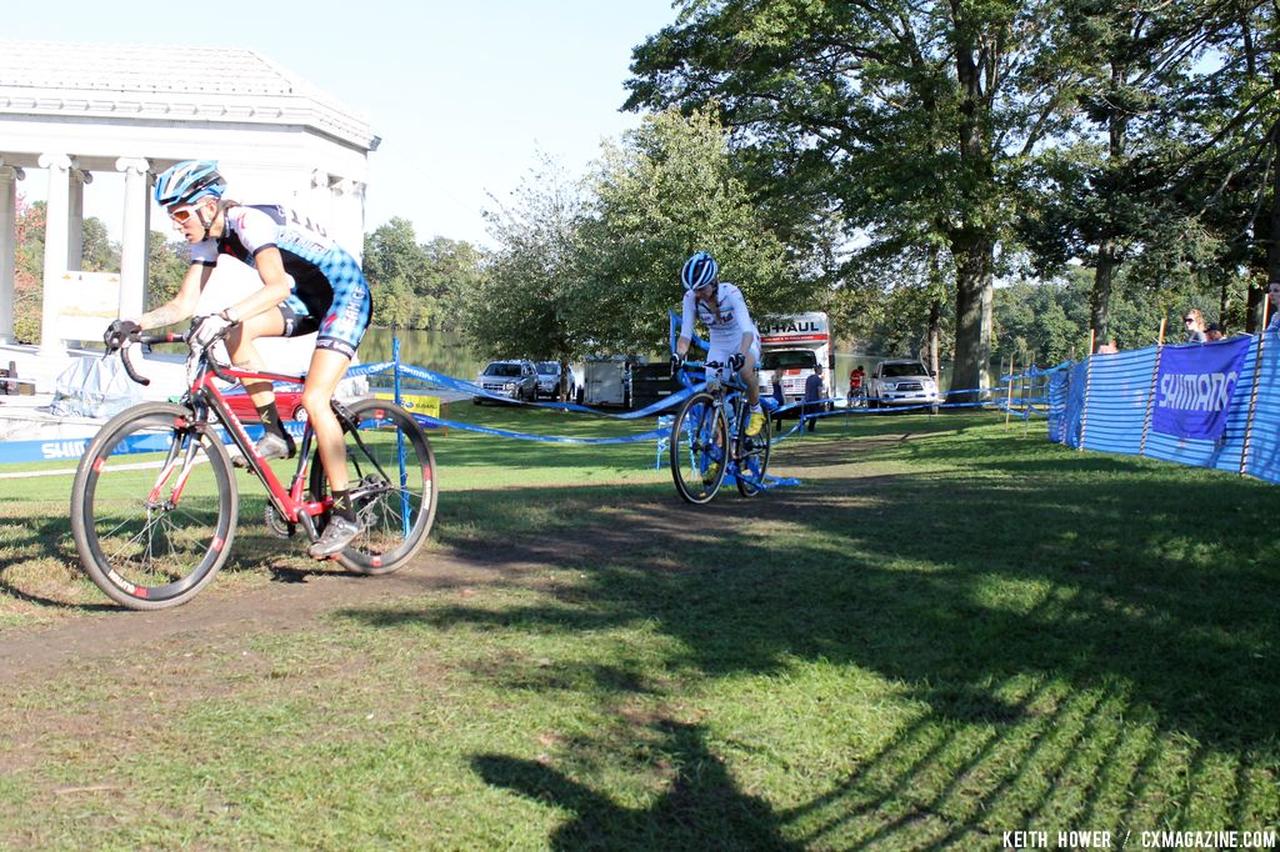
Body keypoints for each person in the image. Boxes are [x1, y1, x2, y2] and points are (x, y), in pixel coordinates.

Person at [102, 160, 372, 559]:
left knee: (315, 399)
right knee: (235, 332)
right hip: (308, 298)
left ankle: (346, 513)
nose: (177, 224)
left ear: (208, 206)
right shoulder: (208, 239)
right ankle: (276, 434)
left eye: (180, 214)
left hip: (346, 295)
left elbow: (277, 287)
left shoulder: (249, 222)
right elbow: (184, 303)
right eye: (172, 216)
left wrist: (224, 314)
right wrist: (134, 324)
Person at [671, 251, 765, 436]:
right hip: (719, 345)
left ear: (714, 282)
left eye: (702, 289)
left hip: (744, 339)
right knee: (713, 389)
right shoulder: (691, 298)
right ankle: (722, 451)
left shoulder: (731, 293)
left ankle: (756, 410)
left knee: (745, 369)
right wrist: (678, 355)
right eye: (695, 290)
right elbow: (685, 335)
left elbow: (747, 330)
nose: (698, 294)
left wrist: (740, 354)